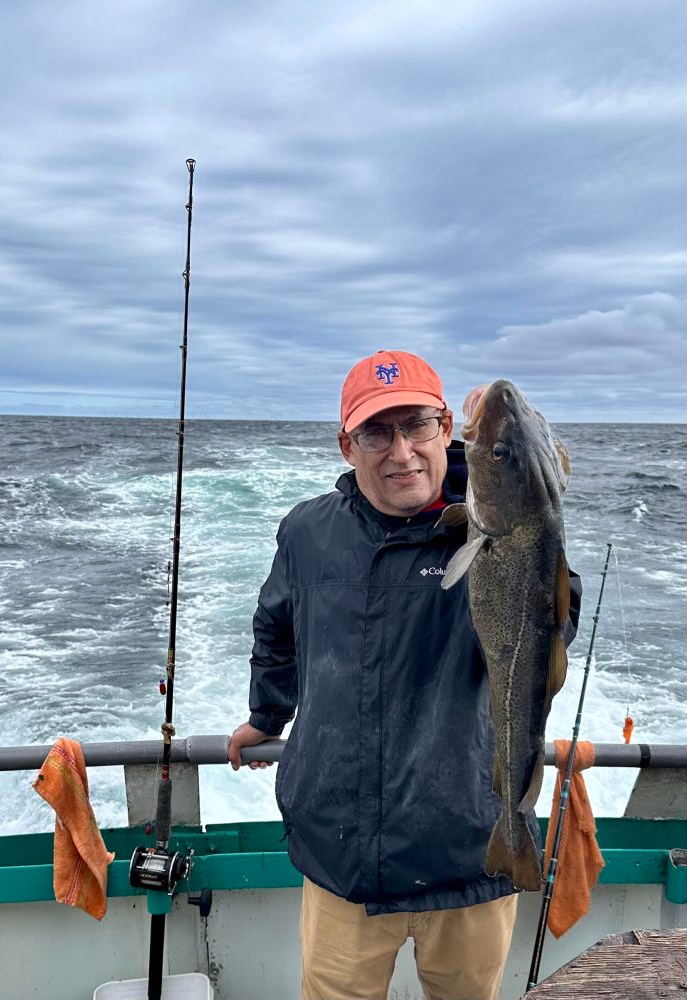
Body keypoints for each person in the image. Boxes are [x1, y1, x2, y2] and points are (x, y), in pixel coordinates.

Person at [228, 350, 582, 1000]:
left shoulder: (488, 525)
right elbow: (274, 625)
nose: (402, 452)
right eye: (377, 432)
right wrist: (266, 715)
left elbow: (554, 620)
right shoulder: (307, 532)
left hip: (472, 848)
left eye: (418, 426)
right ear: (347, 444)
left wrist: (499, 488)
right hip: (343, 855)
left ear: (448, 428)